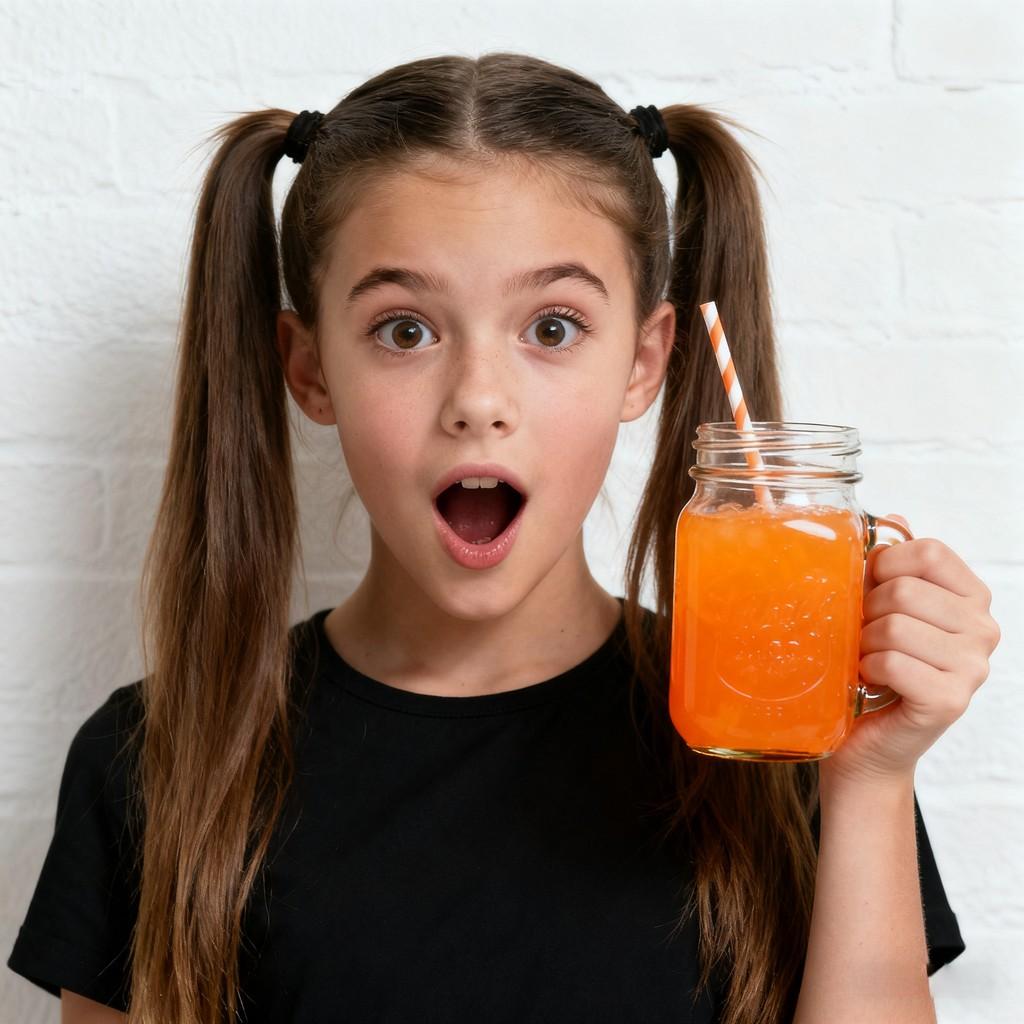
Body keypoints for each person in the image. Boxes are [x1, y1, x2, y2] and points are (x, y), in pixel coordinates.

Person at [6, 52, 1000, 1024]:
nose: (478, 401)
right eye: (405, 330)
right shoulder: (155, 761)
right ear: (308, 370)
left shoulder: (784, 732)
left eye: (553, 327)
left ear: (643, 361)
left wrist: (870, 779)